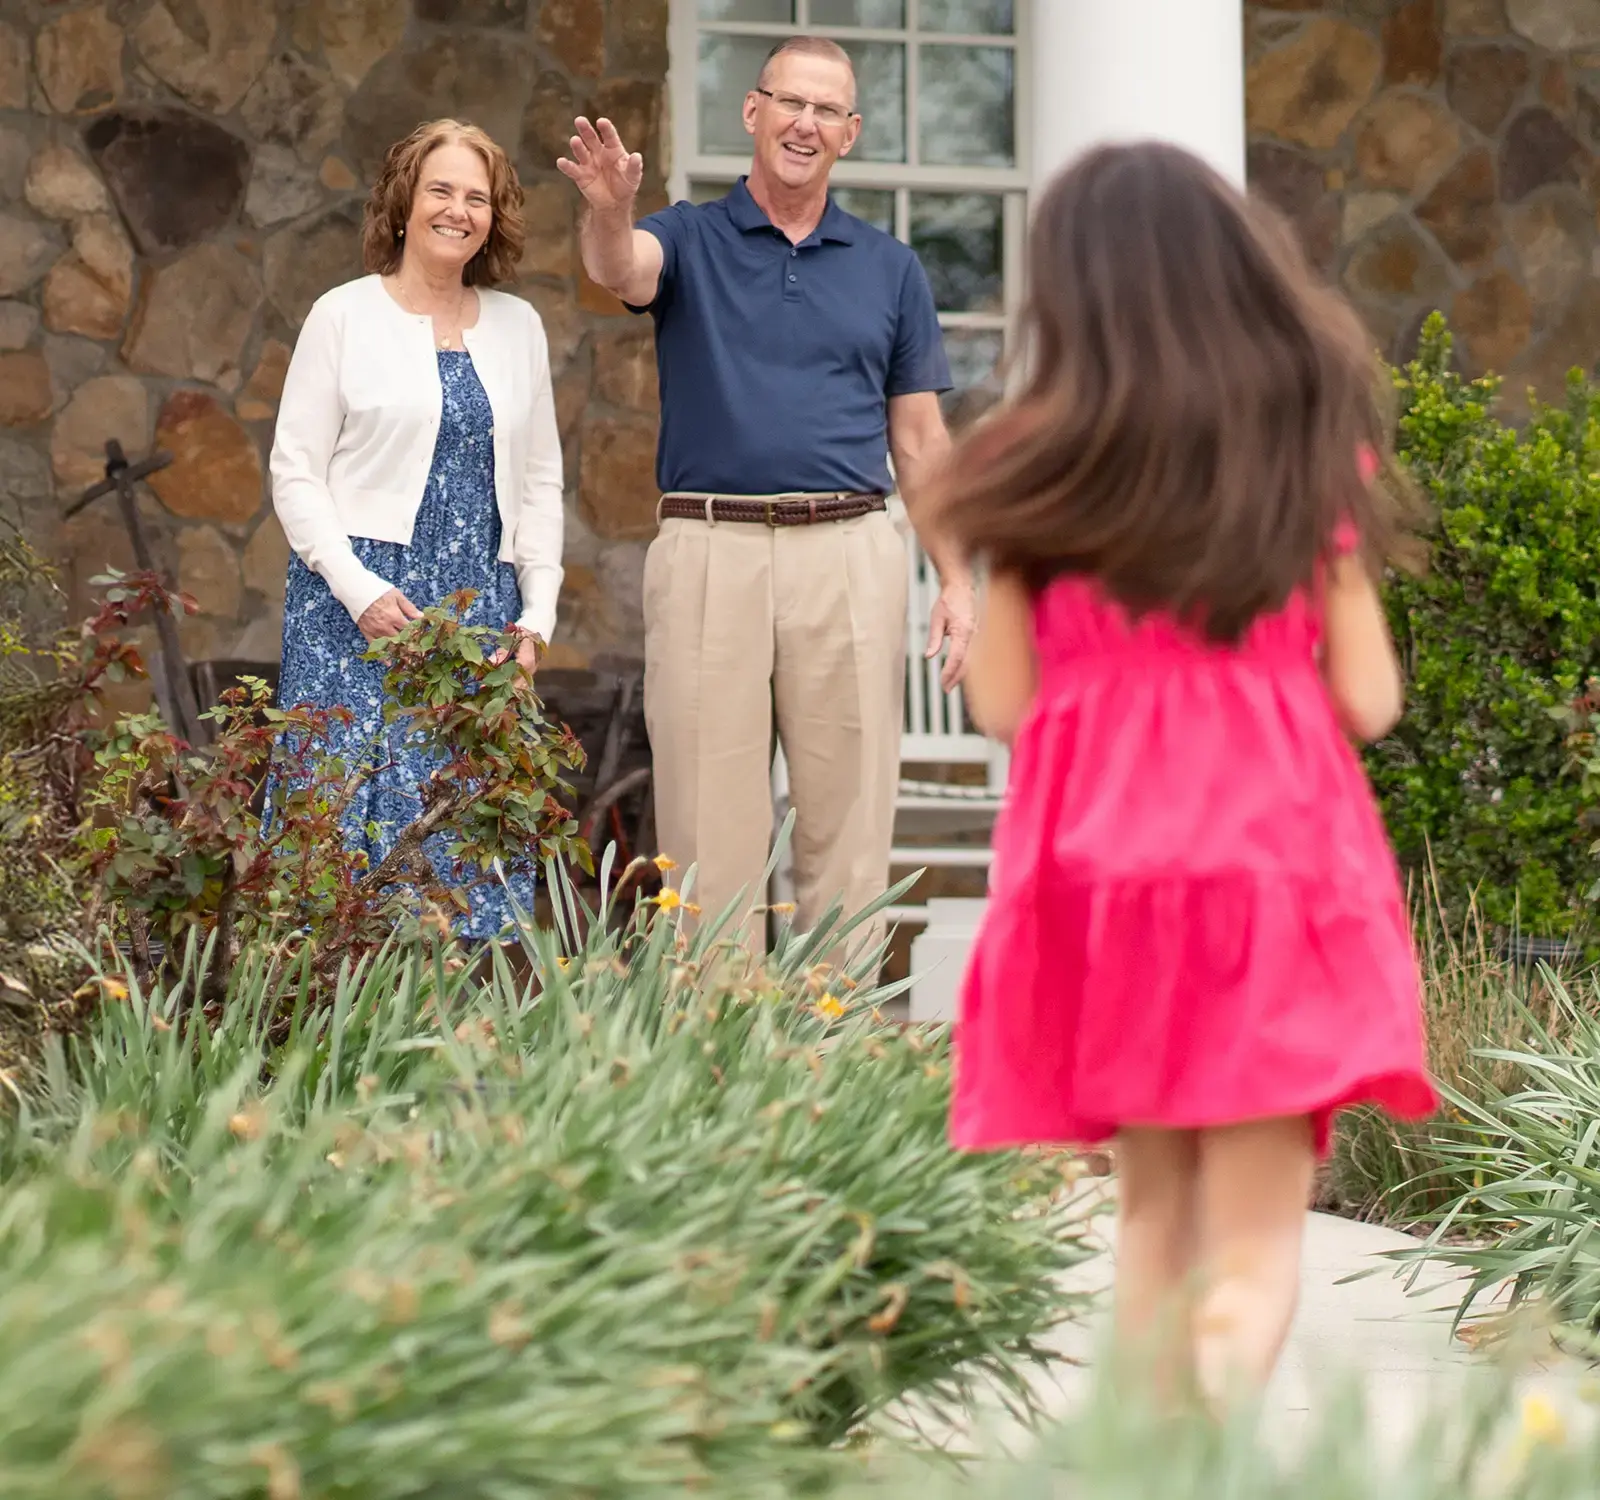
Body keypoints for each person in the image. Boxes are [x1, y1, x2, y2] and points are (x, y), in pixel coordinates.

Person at [933, 142, 1438, 1413]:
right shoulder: (1300, 449)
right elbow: (1369, 698)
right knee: (1259, 1252)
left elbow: (999, 701)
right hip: (1270, 868)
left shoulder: (1034, 470)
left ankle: (1147, 1465)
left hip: (1105, 880)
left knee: (1152, 1235)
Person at [557, 36, 976, 954]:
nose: (805, 123)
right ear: (753, 112)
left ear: (851, 134)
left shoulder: (890, 269)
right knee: (711, 845)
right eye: (790, 102)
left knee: (850, 836)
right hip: (715, 551)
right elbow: (620, 269)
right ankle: (721, 1074)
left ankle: (837, 1071)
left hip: (850, 554)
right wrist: (612, 210)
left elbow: (919, 439)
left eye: (827, 111)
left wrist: (954, 577)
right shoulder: (687, 236)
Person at [269, 117, 564, 937]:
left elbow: (540, 482)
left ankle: (455, 1049)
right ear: (404, 203)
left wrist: (534, 615)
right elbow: (294, 472)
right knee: (339, 832)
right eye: (441, 189)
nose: (457, 210)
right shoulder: (342, 316)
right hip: (356, 607)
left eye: (477, 197)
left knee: (467, 835)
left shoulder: (520, 327)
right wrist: (358, 588)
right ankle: (329, 1044)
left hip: (478, 614)